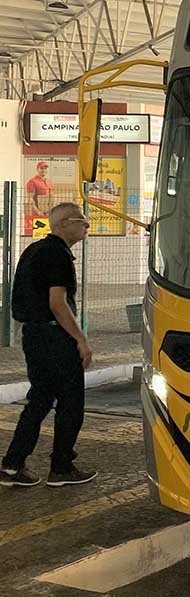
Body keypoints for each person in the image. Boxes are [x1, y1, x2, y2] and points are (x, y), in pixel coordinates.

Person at [0, 203, 97, 488]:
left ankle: (13, 464)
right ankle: (62, 467)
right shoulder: (58, 255)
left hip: (33, 336)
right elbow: (58, 304)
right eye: (82, 221)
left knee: (40, 399)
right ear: (65, 224)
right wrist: (81, 340)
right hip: (56, 339)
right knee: (71, 402)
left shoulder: (33, 250)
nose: (87, 226)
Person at [24, 160, 52, 234]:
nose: (43, 170)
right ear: (37, 169)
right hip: (37, 214)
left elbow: (51, 198)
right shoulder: (32, 182)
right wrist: (38, 211)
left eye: (45, 168)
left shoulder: (48, 182)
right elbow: (30, 198)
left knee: (46, 235)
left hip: (47, 213)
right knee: (38, 235)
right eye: (41, 168)